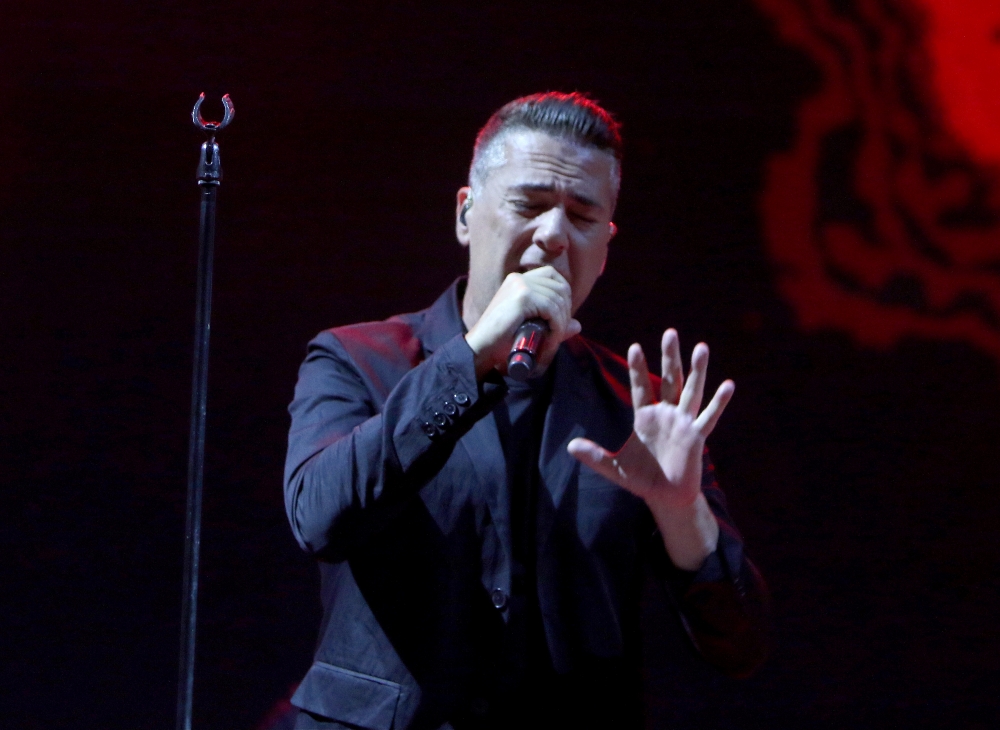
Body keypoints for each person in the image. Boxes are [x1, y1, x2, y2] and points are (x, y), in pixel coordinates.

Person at [283, 92, 768, 730]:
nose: (554, 234)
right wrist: (472, 357)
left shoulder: (639, 409)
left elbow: (739, 645)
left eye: (582, 215)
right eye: (531, 205)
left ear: (606, 245)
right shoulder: (357, 359)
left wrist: (683, 512)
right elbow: (319, 518)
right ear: (465, 214)